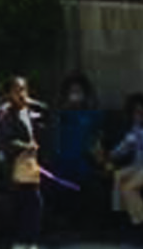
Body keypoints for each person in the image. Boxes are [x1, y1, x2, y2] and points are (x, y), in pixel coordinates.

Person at [0, 74, 47, 249]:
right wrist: (26, 146)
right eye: (17, 90)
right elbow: (5, 142)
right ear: (8, 94)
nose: (22, 94)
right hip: (13, 167)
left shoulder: (31, 111)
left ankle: (24, 242)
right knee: (27, 204)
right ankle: (22, 242)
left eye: (24, 89)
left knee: (31, 203)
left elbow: (40, 127)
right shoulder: (4, 115)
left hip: (30, 165)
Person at [46, 73, 111, 234]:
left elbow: (99, 135)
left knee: (89, 186)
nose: (75, 95)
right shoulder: (62, 114)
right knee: (60, 186)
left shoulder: (92, 113)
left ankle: (89, 224)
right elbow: (53, 133)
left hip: (84, 159)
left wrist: (98, 153)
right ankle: (65, 221)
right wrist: (65, 107)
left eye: (78, 91)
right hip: (63, 160)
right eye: (72, 91)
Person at [108, 93, 143, 234]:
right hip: (138, 166)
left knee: (129, 188)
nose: (139, 116)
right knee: (118, 175)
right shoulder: (134, 129)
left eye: (142, 112)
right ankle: (120, 214)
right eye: (136, 113)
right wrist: (111, 155)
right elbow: (123, 149)